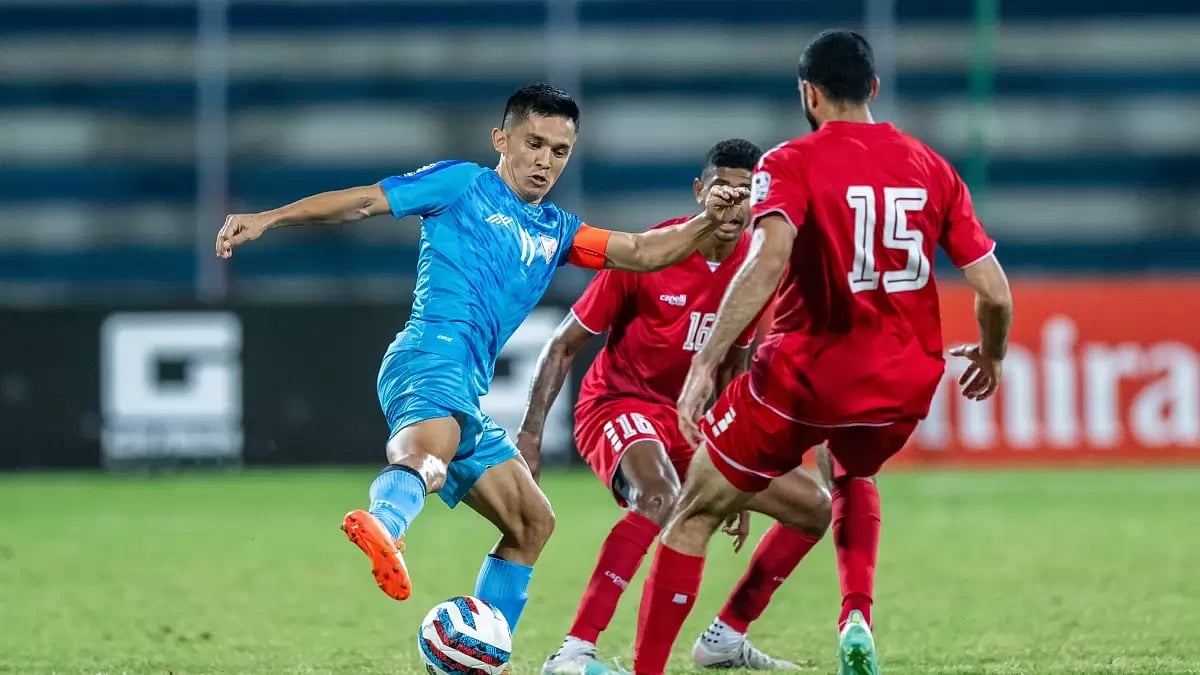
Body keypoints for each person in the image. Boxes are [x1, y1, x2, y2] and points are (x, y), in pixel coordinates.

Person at [213, 83, 750, 642]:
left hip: (467, 386)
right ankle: (386, 521)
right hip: (426, 355)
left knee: (532, 522)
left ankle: (480, 648)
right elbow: (366, 200)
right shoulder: (462, 184)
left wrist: (708, 219)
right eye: (533, 143)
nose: (544, 161)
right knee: (427, 453)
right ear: (502, 139)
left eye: (559, 151)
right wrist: (270, 218)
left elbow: (642, 252)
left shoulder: (558, 231)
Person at [629, 31, 1014, 675]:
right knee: (850, 475)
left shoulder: (791, 160)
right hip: (898, 388)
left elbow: (766, 260)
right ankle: (847, 614)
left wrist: (705, 363)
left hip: (802, 380)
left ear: (808, 93)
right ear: (873, 88)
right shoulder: (932, 167)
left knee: (696, 510)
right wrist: (994, 355)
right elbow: (994, 294)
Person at [518, 139, 831, 674]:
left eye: (746, 196)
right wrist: (529, 437)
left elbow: (733, 368)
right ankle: (574, 650)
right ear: (699, 192)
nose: (733, 209)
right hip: (617, 405)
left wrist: (737, 457)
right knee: (660, 495)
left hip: (689, 423)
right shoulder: (652, 252)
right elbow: (563, 344)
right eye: (722, 193)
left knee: (814, 507)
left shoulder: (759, 269)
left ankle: (726, 637)